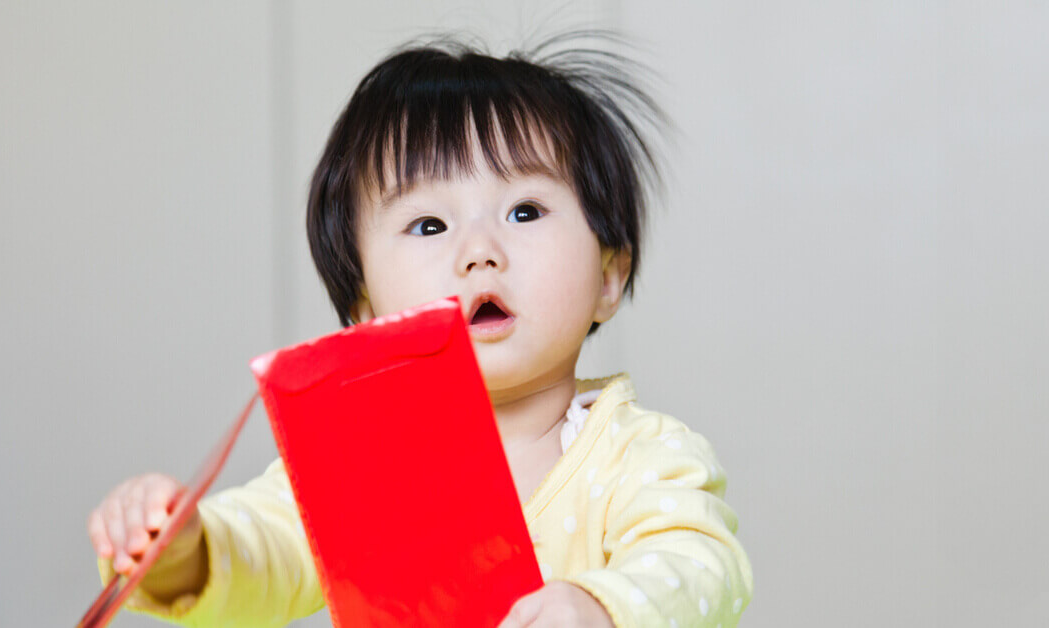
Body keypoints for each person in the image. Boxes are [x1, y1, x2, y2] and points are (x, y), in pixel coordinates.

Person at [88, 32, 753, 628]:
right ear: (365, 310)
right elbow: (268, 545)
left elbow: (701, 567)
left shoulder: (642, 457)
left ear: (610, 273)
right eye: (430, 225)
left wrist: (604, 606)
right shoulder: (359, 466)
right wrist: (185, 551)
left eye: (525, 211)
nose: (480, 250)